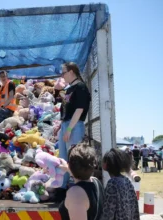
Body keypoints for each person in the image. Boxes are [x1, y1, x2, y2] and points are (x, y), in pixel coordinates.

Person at [58, 62, 91, 190]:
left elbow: (79, 109)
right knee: (63, 157)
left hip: (75, 126)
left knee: (73, 157)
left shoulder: (81, 87)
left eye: (64, 72)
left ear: (71, 72)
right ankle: (63, 187)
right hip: (66, 125)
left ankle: (75, 187)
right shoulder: (69, 88)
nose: (62, 75)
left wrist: (69, 129)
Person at [58, 142, 103, 220]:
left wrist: (70, 168)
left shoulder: (76, 193)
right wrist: (69, 169)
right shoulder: (96, 182)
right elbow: (83, 171)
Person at [101, 148, 140, 220]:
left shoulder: (112, 183)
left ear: (106, 164)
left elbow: (108, 213)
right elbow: (135, 208)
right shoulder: (127, 181)